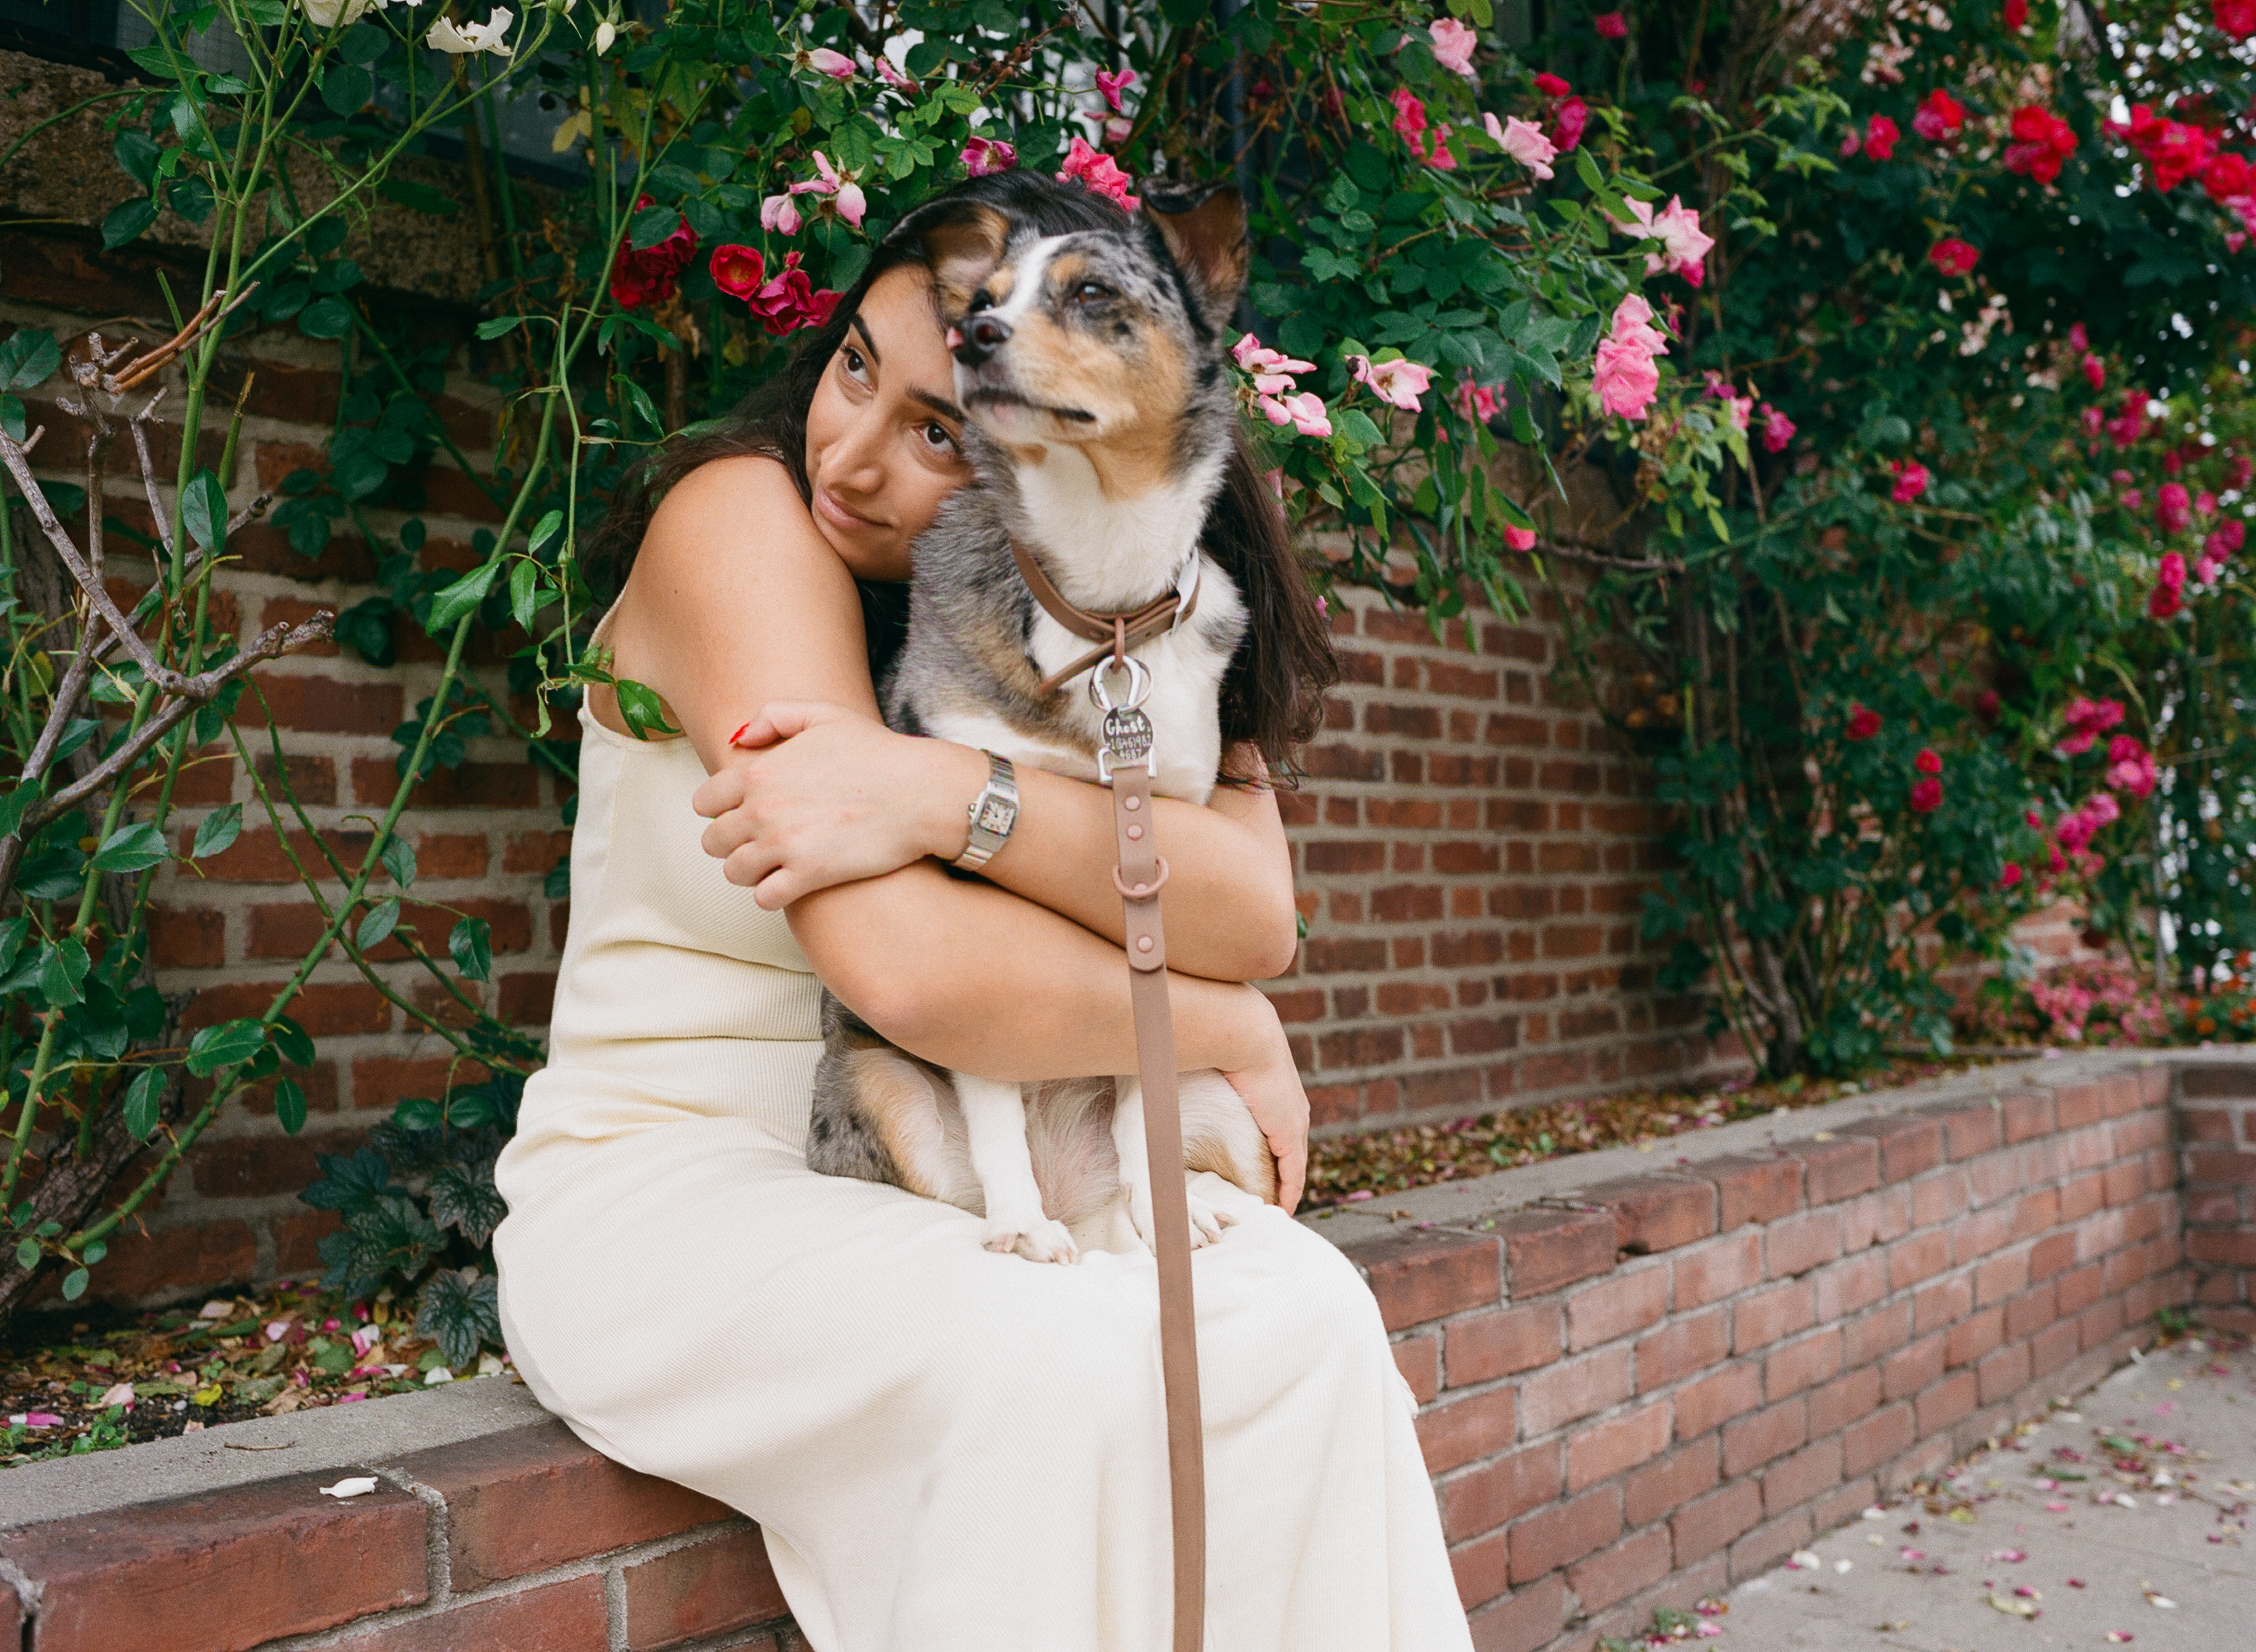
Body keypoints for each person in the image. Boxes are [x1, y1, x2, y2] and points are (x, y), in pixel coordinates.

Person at [492, 171, 1474, 1652]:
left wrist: (944, 791)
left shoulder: (1101, 600)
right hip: (687, 1179)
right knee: (1053, 1360)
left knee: (1304, 1314)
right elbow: (910, 976)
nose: (850, 456)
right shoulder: (740, 522)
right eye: (853, 370)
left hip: (971, 1160)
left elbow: (1250, 908)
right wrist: (1230, 1030)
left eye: (939, 431)